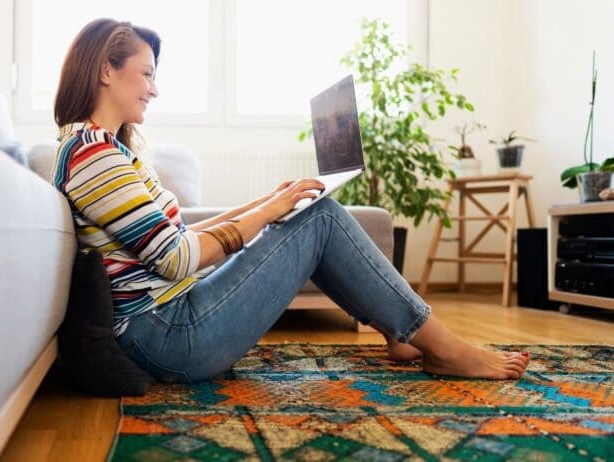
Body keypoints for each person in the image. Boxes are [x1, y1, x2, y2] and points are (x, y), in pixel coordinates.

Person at [52, 18, 529, 384]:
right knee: (319, 221)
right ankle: (441, 346)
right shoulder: (94, 155)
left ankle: (401, 334)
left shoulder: (106, 150)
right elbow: (178, 260)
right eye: (146, 74)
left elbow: (176, 238)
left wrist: (270, 201)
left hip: (169, 318)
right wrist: (269, 213)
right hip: (168, 336)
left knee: (308, 214)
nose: (154, 89)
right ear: (104, 71)